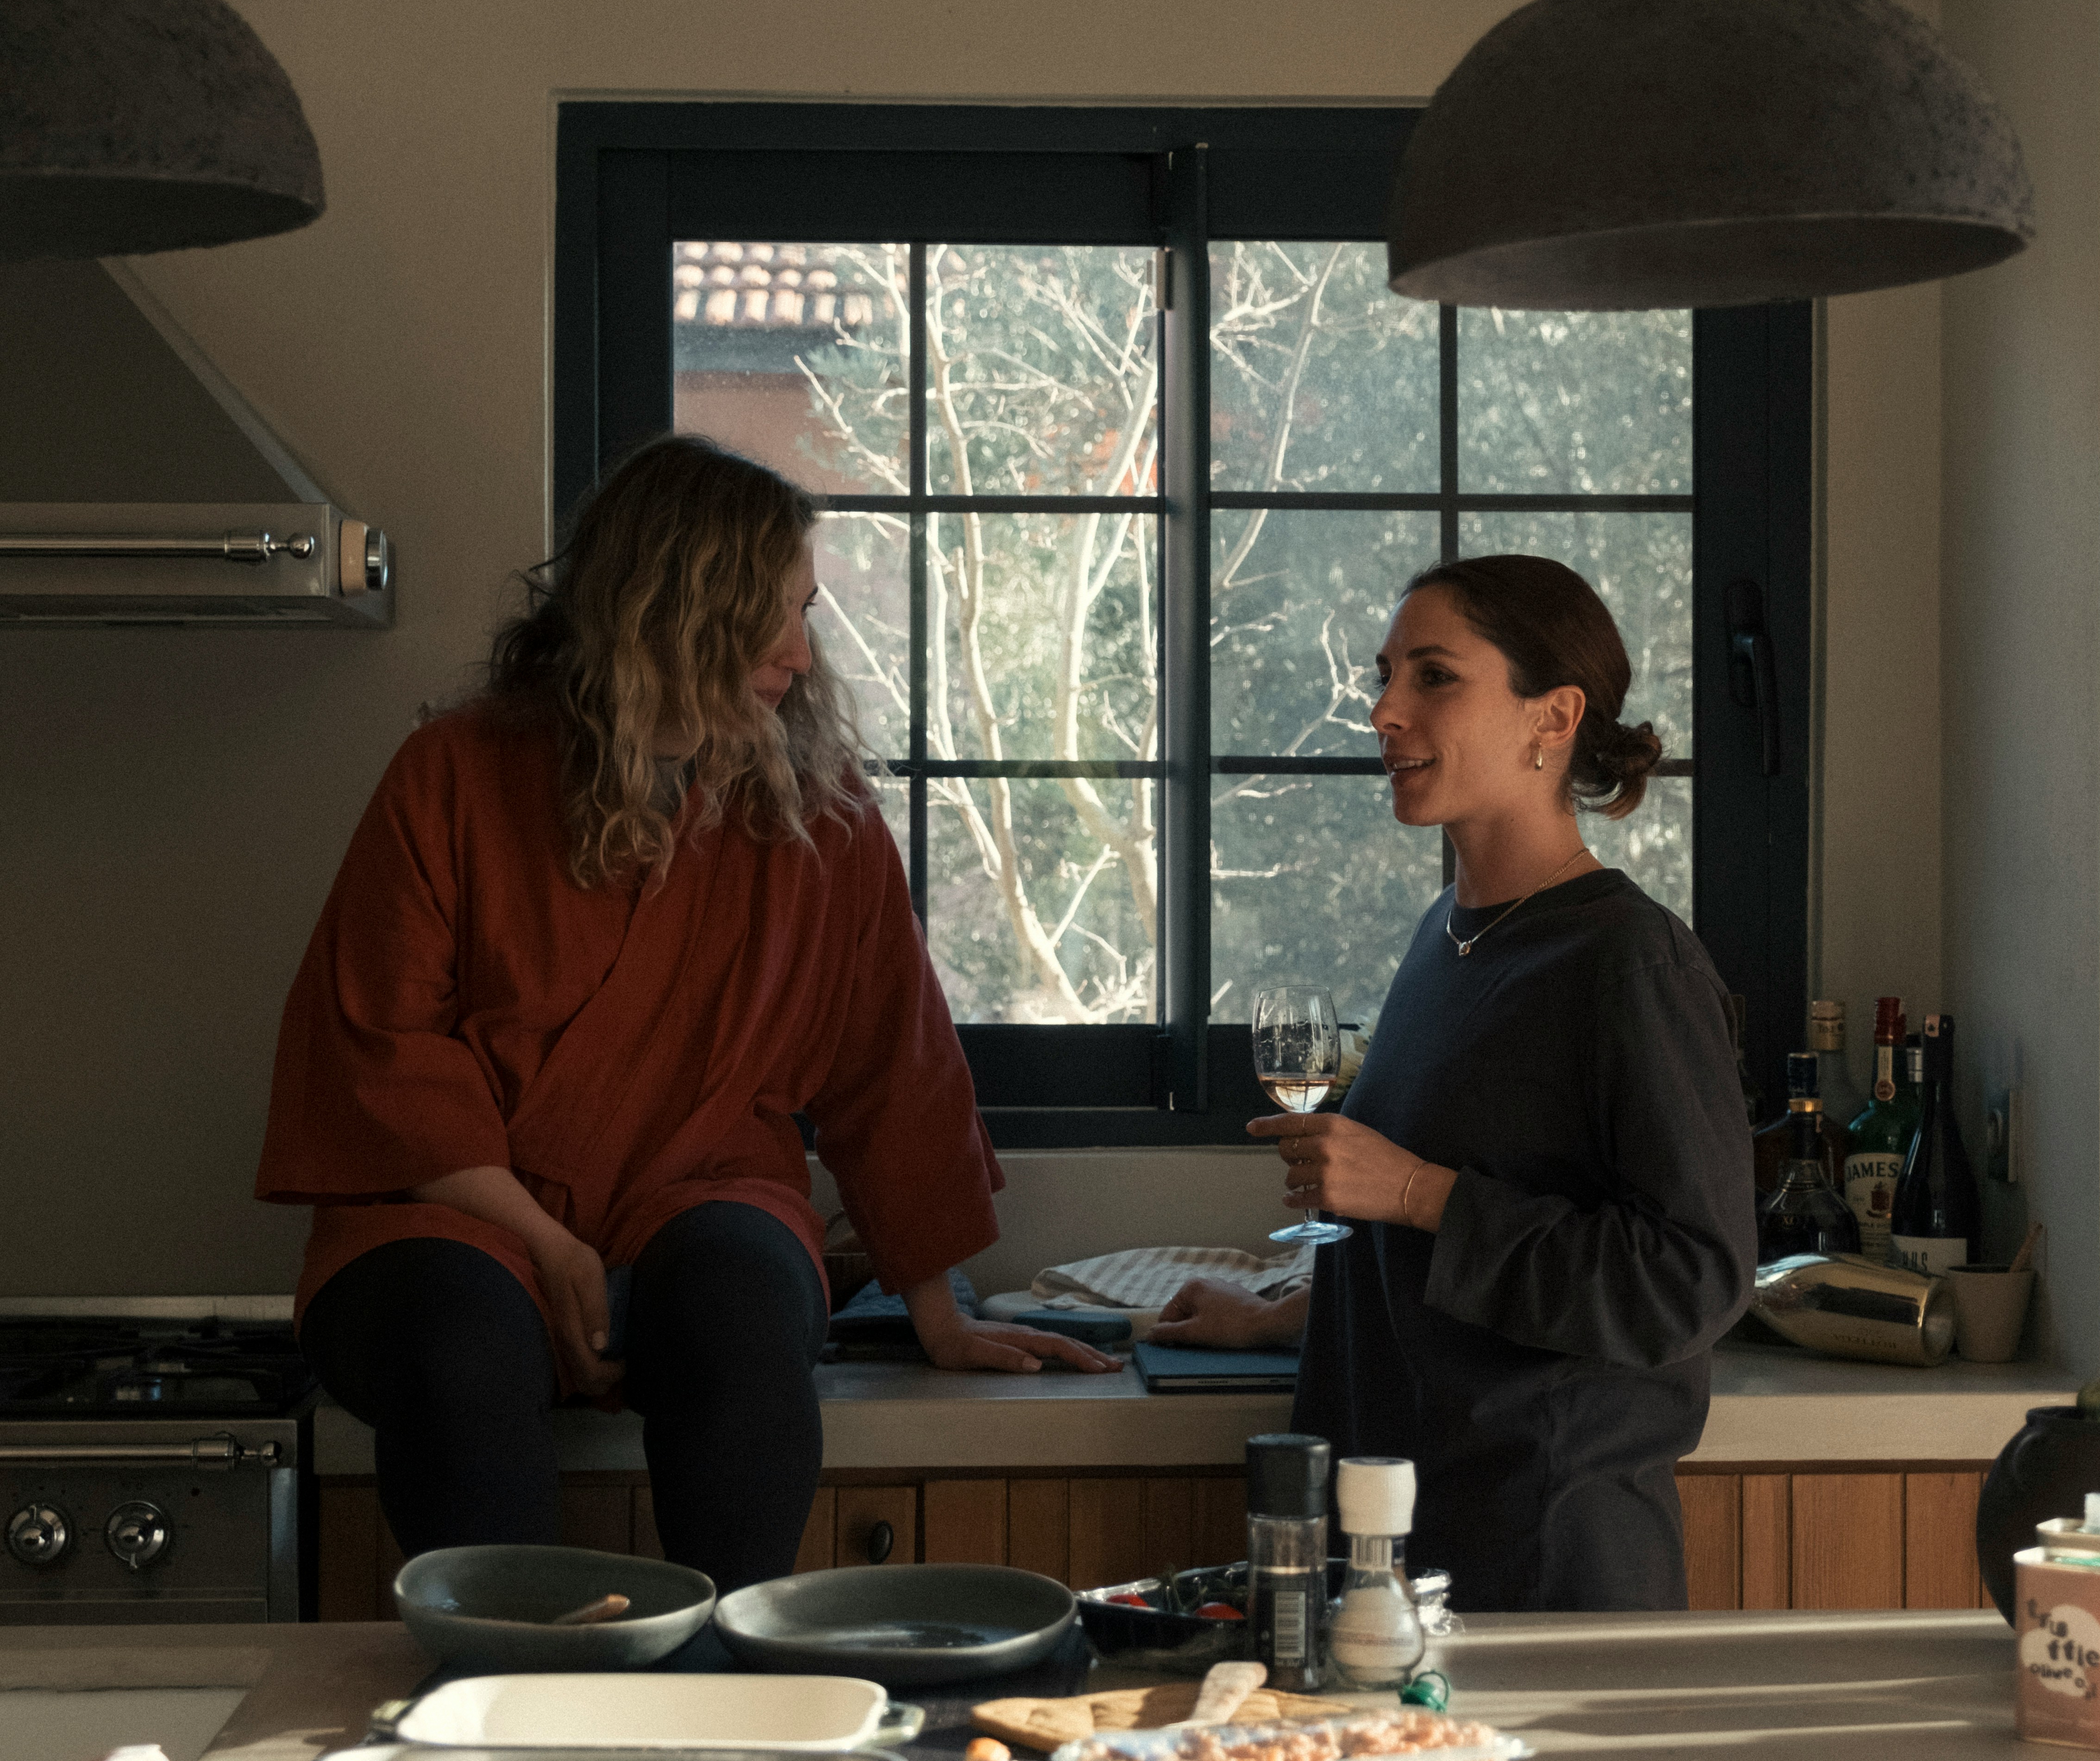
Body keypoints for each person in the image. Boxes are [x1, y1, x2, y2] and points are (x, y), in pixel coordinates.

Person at [258, 436, 1111, 1588]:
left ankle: (728, 1672)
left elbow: (892, 1063)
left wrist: (938, 1311)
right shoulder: (453, 773)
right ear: (672, 609)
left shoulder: (822, 816)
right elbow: (383, 1052)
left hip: (696, 1195)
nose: (801, 658)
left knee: (746, 1303)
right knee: (455, 1337)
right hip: (451, 1217)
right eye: (772, 619)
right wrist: (547, 1244)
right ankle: (506, 1692)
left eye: (805, 615)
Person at [1155, 553, 1755, 1611]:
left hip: (1542, 1552)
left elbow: (1690, 1281)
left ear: (1552, 717)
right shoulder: (1448, 936)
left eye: (1433, 676)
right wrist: (1286, 1314)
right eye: (1386, 676)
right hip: (1397, 1539)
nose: (1384, 711)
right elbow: (1445, 1256)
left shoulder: (1632, 963)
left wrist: (1412, 1190)